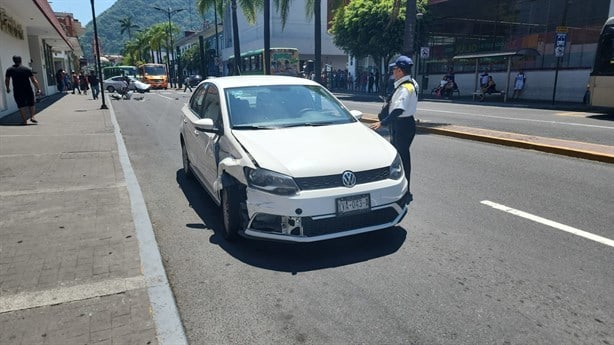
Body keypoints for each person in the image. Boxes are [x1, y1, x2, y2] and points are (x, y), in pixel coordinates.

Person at [369, 55, 418, 200]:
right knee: (401, 157)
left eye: (394, 69)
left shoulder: (404, 88)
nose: (393, 72)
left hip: (402, 125)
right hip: (405, 123)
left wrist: (382, 122)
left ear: (400, 71)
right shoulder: (412, 83)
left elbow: (399, 110)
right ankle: (404, 188)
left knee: (401, 159)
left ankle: (405, 191)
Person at [4, 55, 41, 125]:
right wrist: (38, 89)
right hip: (28, 89)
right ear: (21, 60)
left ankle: (24, 121)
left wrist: (8, 88)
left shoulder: (10, 70)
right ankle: (32, 116)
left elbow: (7, 80)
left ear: (13, 61)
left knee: (21, 106)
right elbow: (33, 80)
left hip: (17, 90)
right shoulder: (26, 69)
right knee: (31, 103)